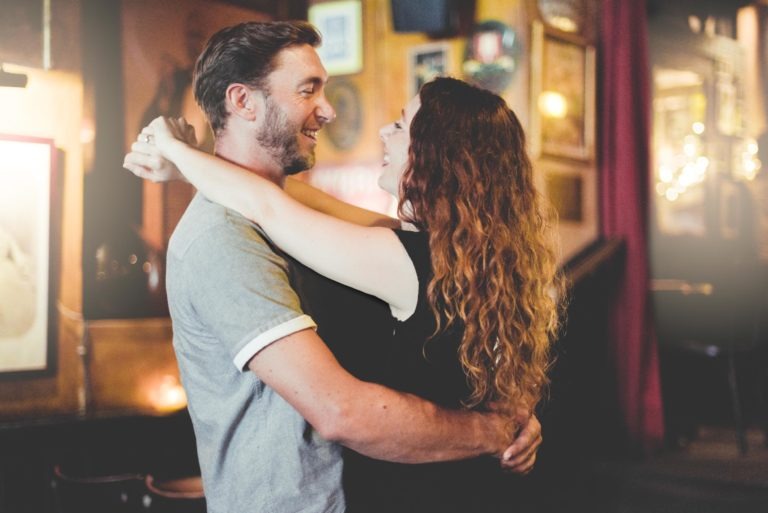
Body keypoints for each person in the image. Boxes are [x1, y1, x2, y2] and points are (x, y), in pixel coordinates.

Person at [123, 22, 542, 513]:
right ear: (242, 102)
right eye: (308, 90)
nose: (329, 109)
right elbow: (339, 410)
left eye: (401, 126)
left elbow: (274, 203)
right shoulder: (221, 236)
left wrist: (181, 155)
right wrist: (496, 426)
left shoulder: (394, 246)